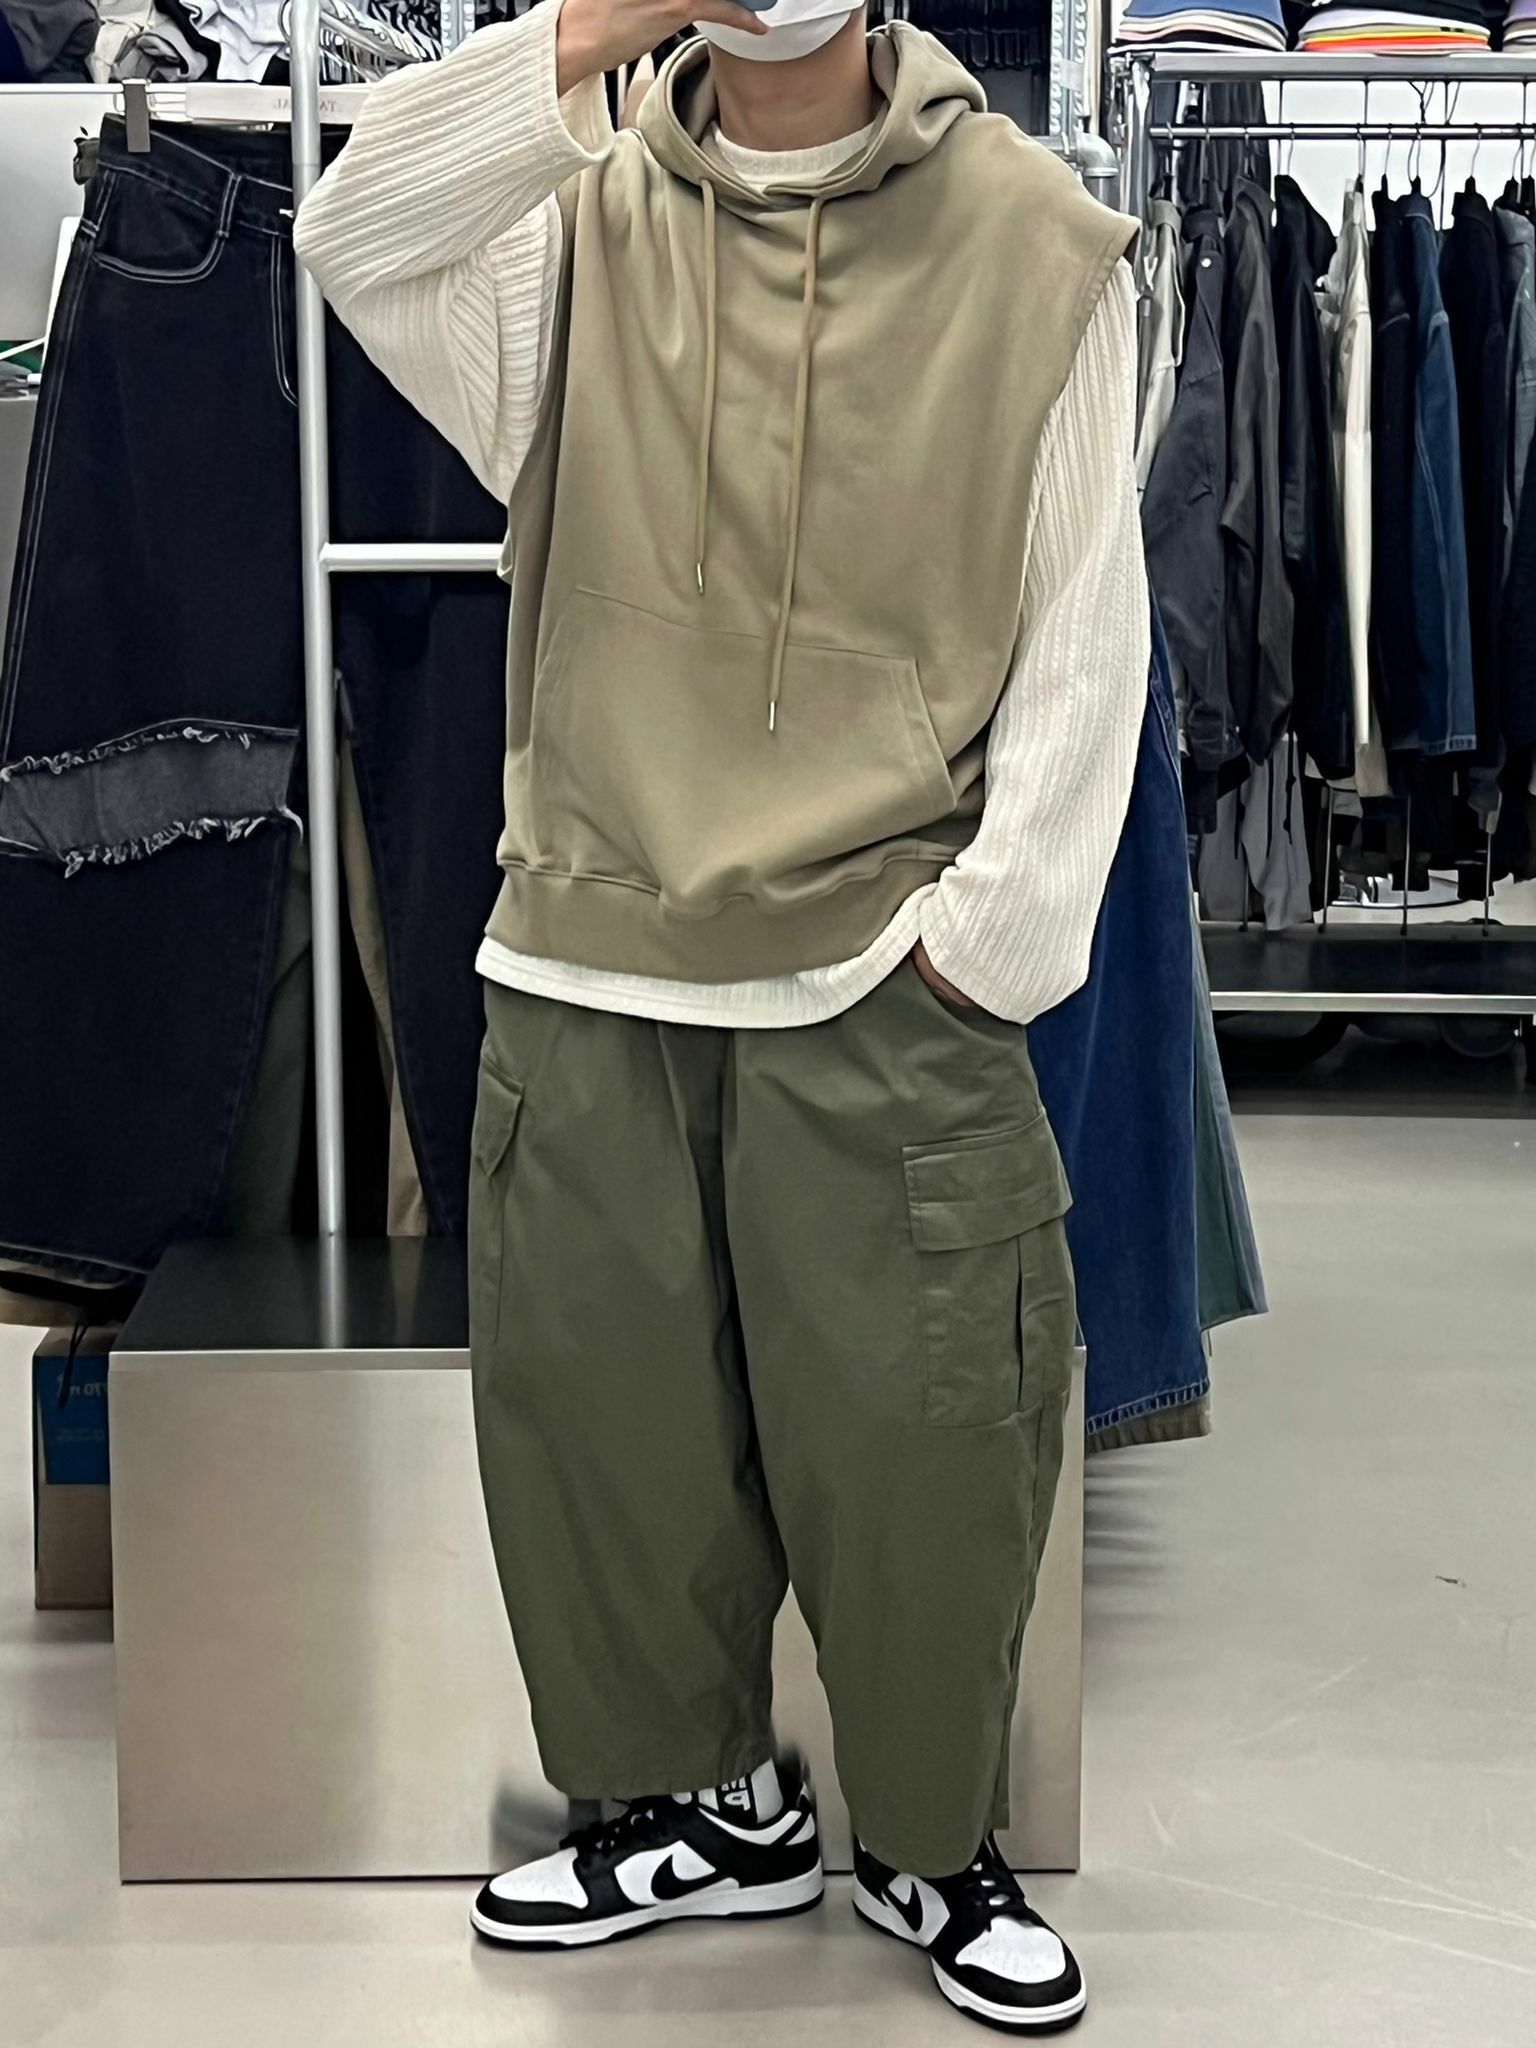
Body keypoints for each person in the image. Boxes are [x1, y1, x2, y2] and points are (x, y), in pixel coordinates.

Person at [296, 0, 1147, 2029]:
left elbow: (1087, 626)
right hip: (588, 953)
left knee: (928, 1454)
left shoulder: (1040, 238)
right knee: (606, 1458)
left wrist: (985, 944)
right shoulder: (571, 236)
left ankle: (932, 1844)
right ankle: (700, 1811)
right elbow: (349, 225)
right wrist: (606, 21)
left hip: (882, 964)